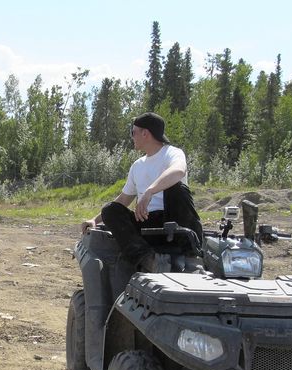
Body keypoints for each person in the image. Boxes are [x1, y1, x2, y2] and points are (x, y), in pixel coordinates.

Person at [81, 112, 203, 272]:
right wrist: (95, 221)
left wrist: (150, 191)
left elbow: (179, 170)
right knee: (110, 209)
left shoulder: (172, 153)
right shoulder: (137, 166)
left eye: (133, 132)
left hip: (174, 223)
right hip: (147, 223)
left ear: (145, 133)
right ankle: (149, 261)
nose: (132, 137)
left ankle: (192, 260)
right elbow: (124, 199)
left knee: (176, 188)